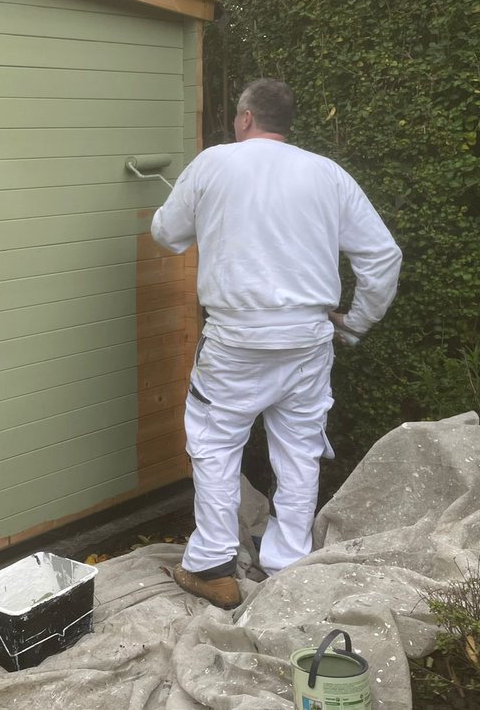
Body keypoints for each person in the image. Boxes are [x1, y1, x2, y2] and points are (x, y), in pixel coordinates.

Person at [151, 78, 402, 610]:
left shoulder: (214, 163)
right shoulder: (327, 174)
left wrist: (200, 211)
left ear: (245, 118)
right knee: (299, 445)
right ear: (286, 124)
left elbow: (166, 235)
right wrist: (354, 323)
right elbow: (383, 257)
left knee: (216, 443)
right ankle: (288, 563)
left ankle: (214, 566)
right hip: (307, 338)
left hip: (237, 336)